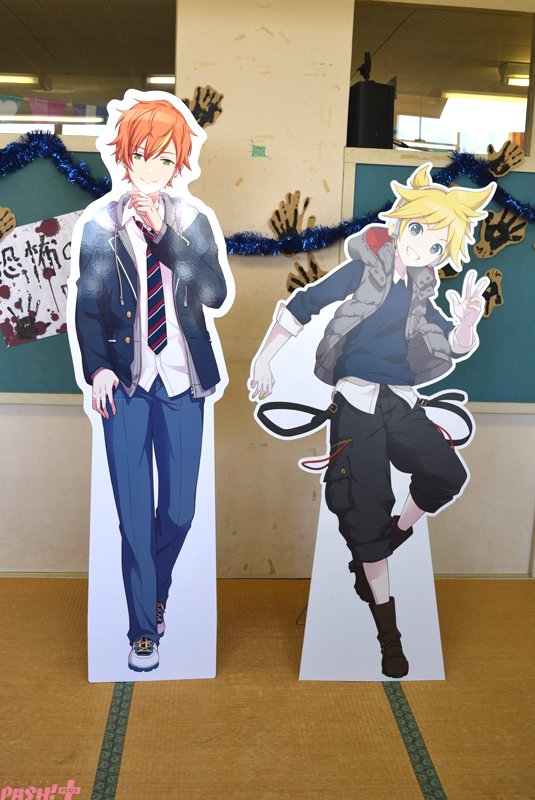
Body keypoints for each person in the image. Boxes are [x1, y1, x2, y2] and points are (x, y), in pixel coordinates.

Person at [250, 164, 495, 678]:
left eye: (437, 246)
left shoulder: (422, 290)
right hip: (356, 404)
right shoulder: (363, 269)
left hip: (400, 402)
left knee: (446, 474)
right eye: (419, 232)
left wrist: (468, 323)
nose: (423, 248)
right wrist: (264, 360)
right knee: (363, 514)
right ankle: (389, 637)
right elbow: (303, 305)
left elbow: (451, 345)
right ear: (402, 222)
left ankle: (391, 539)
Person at [74, 97, 229, 672]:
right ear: (124, 157)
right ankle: (144, 629)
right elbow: (87, 307)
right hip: (125, 387)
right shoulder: (101, 226)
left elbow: (214, 292)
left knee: (180, 511)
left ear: (178, 164)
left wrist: (165, 236)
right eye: (141, 155)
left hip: (184, 382)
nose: (150, 169)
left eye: (164, 159)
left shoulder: (192, 222)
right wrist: (98, 368)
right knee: (134, 515)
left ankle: (155, 591)